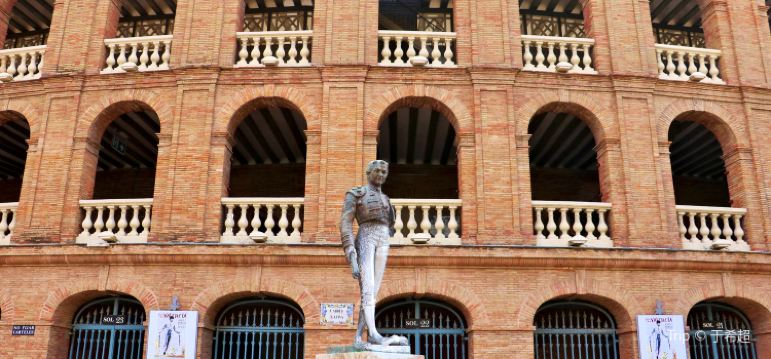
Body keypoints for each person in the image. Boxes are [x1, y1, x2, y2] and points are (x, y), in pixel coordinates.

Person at [340, 160, 407, 348]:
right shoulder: (356, 194)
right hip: (366, 237)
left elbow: (390, 223)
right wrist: (351, 255)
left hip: (382, 239)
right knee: (367, 288)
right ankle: (371, 335)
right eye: (377, 170)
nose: (381, 174)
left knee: (373, 291)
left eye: (384, 171)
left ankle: (363, 336)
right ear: (368, 172)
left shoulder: (386, 199)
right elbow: (345, 224)